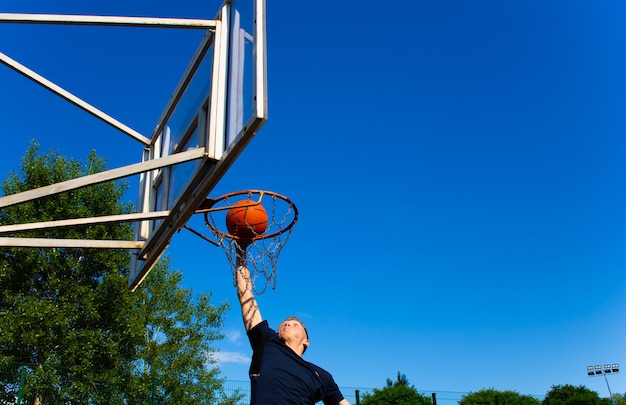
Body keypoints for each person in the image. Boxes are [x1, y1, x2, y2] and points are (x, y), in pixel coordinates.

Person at [235, 258, 350, 405]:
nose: (287, 324)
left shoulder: (322, 375)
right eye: (284, 324)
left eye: (295, 325)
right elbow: (246, 295)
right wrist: (241, 252)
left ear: (306, 342)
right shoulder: (268, 342)